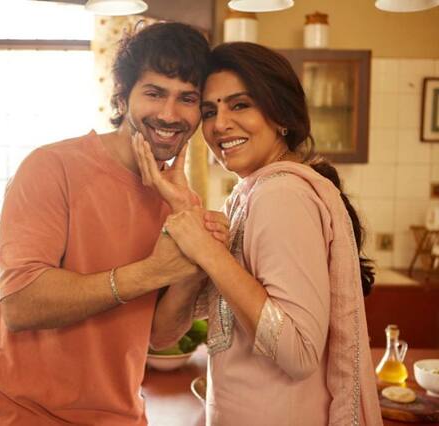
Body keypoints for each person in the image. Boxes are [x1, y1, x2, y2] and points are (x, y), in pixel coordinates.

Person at [0, 22, 226, 425]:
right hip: (25, 415)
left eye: (187, 98)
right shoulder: (51, 167)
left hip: (121, 415)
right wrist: (152, 272)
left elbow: (161, 336)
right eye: (154, 93)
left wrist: (190, 256)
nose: (169, 114)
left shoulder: (178, 201)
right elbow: (21, 305)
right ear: (123, 97)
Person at [133, 42, 383, 425]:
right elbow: (163, 335)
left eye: (240, 105)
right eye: (209, 111)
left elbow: (298, 354)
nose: (220, 124)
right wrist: (187, 212)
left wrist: (210, 254)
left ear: (280, 113)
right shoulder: (246, 197)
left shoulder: (281, 194)